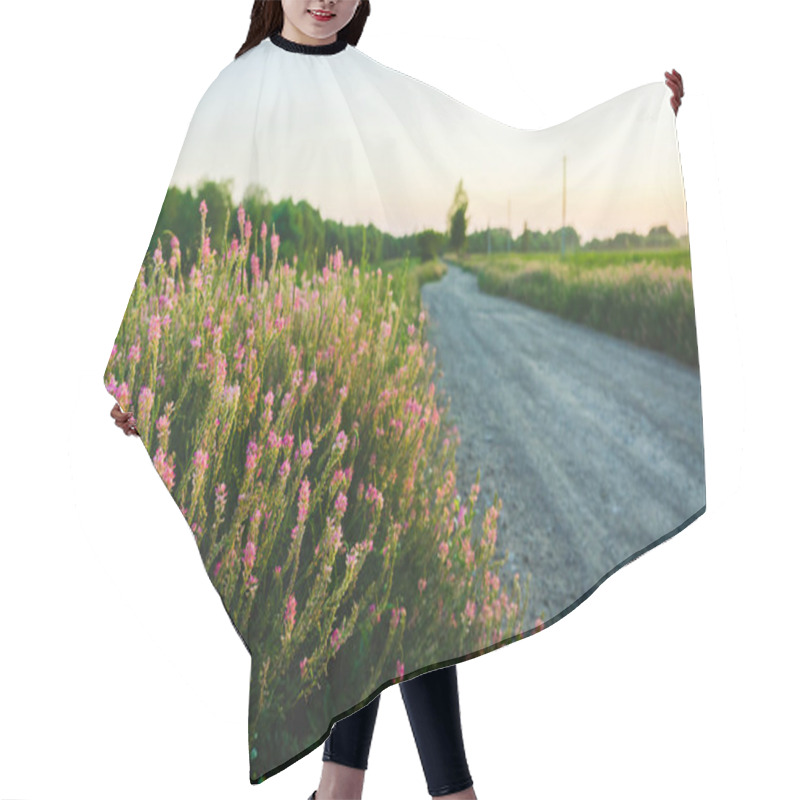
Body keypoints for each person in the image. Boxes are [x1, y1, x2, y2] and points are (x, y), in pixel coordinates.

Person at [109, 2, 685, 798]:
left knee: (400, 589)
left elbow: (486, 162)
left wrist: (639, 122)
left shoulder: (374, 87)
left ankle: (356, 790)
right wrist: (151, 374)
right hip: (283, 393)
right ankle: (413, 790)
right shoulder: (235, 92)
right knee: (356, 596)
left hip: (369, 374)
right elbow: (187, 244)